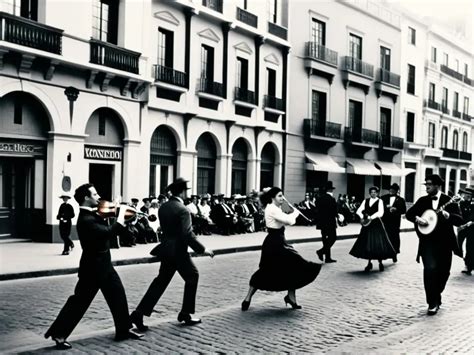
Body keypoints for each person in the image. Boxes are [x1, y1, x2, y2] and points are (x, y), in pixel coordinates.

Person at [45, 184, 143, 350]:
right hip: (92, 268)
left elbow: (108, 224)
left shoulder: (93, 213)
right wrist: (120, 218)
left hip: (104, 263)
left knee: (118, 295)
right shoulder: (85, 219)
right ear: (86, 198)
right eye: (95, 194)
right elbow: (108, 232)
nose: (98, 197)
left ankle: (123, 330)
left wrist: (122, 211)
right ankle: (59, 334)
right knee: (79, 302)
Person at [130, 177, 214, 330]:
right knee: (192, 276)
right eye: (185, 192)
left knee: (160, 282)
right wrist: (203, 249)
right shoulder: (183, 210)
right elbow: (187, 234)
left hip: (166, 250)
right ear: (182, 192)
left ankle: (139, 313)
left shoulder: (164, 207)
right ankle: (185, 313)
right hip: (179, 251)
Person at [241, 187, 322, 311]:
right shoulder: (272, 209)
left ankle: (291, 297)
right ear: (273, 197)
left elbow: (284, 220)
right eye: (279, 196)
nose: (282, 198)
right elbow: (289, 221)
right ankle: (248, 297)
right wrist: (295, 212)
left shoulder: (275, 208)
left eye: (282, 195)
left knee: (292, 268)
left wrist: (292, 212)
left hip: (278, 241)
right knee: (267, 270)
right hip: (275, 243)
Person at [405, 174, 463, 315]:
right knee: (430, 270)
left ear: (438, 185)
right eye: (426, 184)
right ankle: (432, 302)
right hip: (427, 243)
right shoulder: (422, 201)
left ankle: (437, 295)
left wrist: (449, 216)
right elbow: (409, 214)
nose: (427, 186)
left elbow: (460, 220)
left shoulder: (449, 201)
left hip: (445, 243)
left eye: (429, 184)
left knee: (443, 272)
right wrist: (417, 219)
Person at [349, 186, 396, 272]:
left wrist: (371, 217)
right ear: (369, 193)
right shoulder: (366, 201)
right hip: (367, 224)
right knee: (367, 243)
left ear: (377, 193)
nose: (373, 193)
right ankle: (369, 263)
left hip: (376, 224)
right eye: (371, 192)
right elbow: (359, 210)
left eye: (375, 192)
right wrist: (362, 217)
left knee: (378, 244)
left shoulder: (380, 201)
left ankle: (380, 262)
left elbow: (381, 212)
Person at [381, 183, 407, 262]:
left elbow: (404, 210)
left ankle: (394, 254)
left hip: (395, 222)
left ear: (396, 191)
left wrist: (396, 209)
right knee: (385, 237)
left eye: (394, 190)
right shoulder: (383, 198)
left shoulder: (401, 199)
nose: (392, 191)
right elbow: (379, 208)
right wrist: (386, 207)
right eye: (391, 189)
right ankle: (384, 254)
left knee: (394, 238)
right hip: (385, 221)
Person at [315, 181, 338, 263]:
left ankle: (328, 258)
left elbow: (316, 209)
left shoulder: (319, 198)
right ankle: (321, 251)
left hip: (321, 222)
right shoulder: (332, 199)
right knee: (333, 238)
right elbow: (334, 211)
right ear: (331, 190)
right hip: (330, 222)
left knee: (325, 239)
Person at [459, 187, 474, 275]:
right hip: (463, 227)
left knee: (470, 246)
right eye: (465, 194)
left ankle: (468, 265)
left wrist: (470, 221)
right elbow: (459, 213)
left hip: (472, 228)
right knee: (458, 244)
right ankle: (463, 257)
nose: (466, 196)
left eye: (469, 195)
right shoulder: (461, 203)